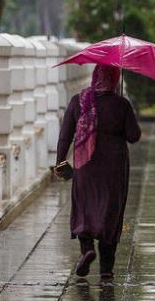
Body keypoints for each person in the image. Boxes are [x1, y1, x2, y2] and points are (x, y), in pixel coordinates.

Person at [55, 64, 141, 280]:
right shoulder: (121, 104)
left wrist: (60, 162)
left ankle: (87, 250)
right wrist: (124, 109)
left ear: (95, 76)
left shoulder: (79, 101)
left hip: (85, 168)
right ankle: (106, 269)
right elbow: (134, 136)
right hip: (113, 169)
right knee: (109, 213)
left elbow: (65, 136)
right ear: (114, 79)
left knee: (85, 207)